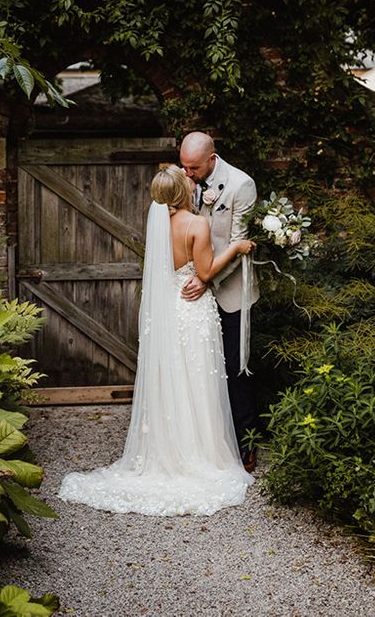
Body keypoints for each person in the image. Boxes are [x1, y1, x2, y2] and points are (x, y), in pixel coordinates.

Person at [58, 165, 255, 516]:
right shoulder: (197, 224)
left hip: (169, 309)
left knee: (175, 380)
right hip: (193, 313)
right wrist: (237, 247)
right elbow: (206, 272)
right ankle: (202, 452)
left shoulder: (159, 224)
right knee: (198, 382)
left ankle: (171, 449)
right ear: (183, 192)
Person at [179, 131, 260, 471]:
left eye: (193, 167)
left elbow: (239, 244)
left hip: (230, 290)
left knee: (234, 367)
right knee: (200, 369)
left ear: (212, 159)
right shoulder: (184, 178)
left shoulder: (241, 185)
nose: (187, 174)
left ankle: (248, 442)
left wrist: (206, 277)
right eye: (183, 166)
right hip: (195, 290)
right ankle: (210, 442)